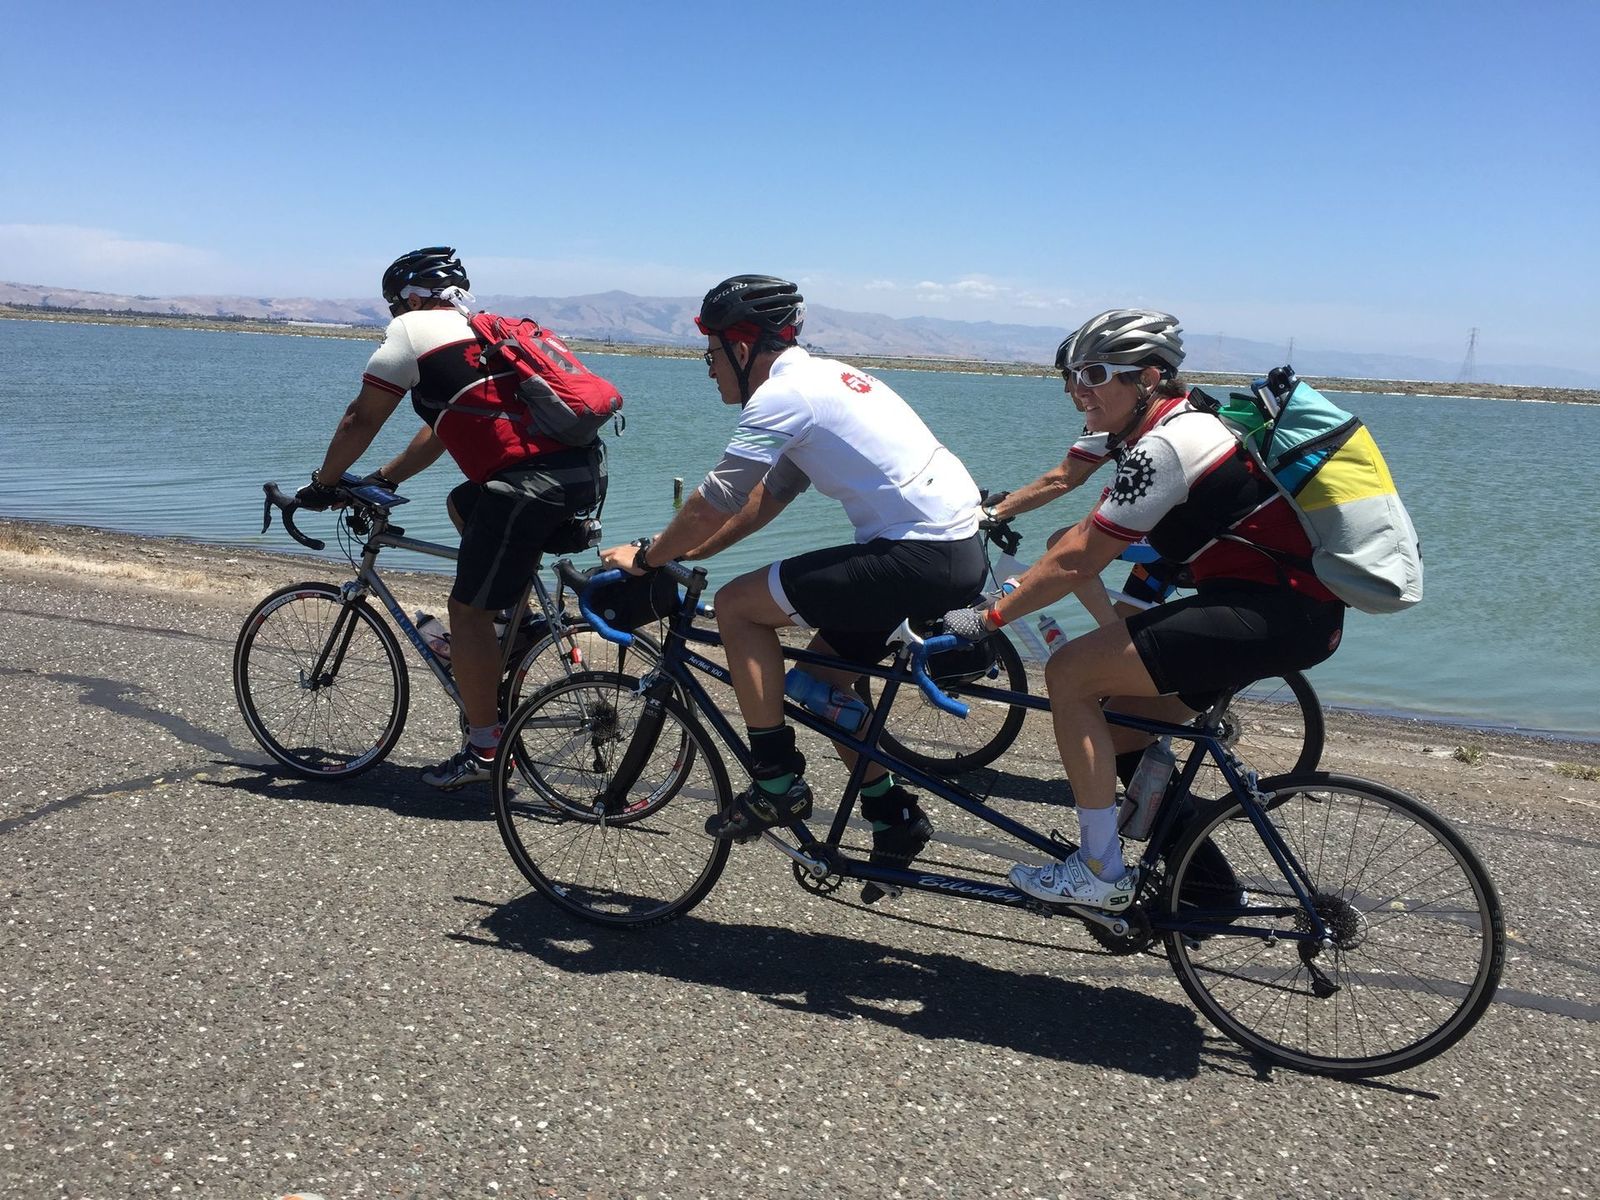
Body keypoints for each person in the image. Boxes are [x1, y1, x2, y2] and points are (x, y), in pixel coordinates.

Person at [940, 309, 1345, 909]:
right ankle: (1207, 893)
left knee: (1069, 673)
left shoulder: (1169, 443)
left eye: (1095, 375)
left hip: (1269, 613)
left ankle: (1098, 871)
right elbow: (1078, 525)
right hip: (1286, 613)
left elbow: (1079, 558)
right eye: (1071, 378)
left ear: (1149, 378)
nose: (1078, 391)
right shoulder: (1168, 429)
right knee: (1123, 731)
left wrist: (989, 617)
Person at [598, 275, 986, 898]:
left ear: (741, 347)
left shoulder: (783, 396)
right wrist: (690, 552)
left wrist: (647, 556)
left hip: (916, 555)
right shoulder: (827, 378)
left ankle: (776, 782)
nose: (709, 368)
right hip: (956, 553)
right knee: (819, 685)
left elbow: (717, 496)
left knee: (737, 607)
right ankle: (894, 817)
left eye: (711, 353)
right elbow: (769, 494)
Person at [295, 247, 604, 790]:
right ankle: (514, 624)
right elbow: (442, 430)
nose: (394, 315)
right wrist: (386, 478)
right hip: (581, 474)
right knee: (463, 503)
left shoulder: (412, 331)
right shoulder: (479, 333)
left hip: (528, 487)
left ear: (411, 299)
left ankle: (485, 750)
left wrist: (324, 485)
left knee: (465, 611)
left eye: (394, 305)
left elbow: (361, 417)